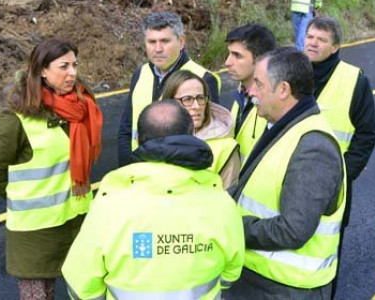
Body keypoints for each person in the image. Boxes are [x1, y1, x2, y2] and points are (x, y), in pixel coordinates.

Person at [62, 100, 245, 299]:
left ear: (139, 140)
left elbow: (80, 282)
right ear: (192, 135)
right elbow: (231, 272)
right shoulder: (220, 203)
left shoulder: (109, 207)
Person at [0, 38, 103, 300]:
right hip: (36, 232)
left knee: (86, 291)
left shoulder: (81, 109)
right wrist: (22, 195)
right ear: (43, 71)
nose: (72, 73)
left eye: (75, 65)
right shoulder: (17, 119)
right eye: (63, 66)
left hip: (77, 221)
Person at [227, 47, 345, 299]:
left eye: (258, 83)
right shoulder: (284, 127)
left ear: (283, 90)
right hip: (262, 280)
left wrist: (228, 225)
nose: (251, 90)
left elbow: (293, 230)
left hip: (285, 288)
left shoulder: (314, 148)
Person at [302, 17, 375, 296]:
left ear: (335, 47)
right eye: (310, 36)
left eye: (320, 39)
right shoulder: (292, 72)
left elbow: (367, 134)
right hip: (289, 182)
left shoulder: (354, 79)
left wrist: (344, 173)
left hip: (333, 188)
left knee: (325, 256)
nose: (312, 42)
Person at [118, 11, 221, 167]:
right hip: (138, 171)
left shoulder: (203, 79)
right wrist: (128, 170)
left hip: (177, 178)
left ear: (181, 42)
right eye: (151, 42)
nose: (158, 49)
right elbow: (126, 129)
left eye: (165, 41)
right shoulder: (141, 73)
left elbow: (208, 138)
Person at [161, 70, 241, 188]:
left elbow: (229, 199)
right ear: (170, 103)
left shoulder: (226, 148)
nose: (196, 106)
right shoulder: (158, 140)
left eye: (200, 98)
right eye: (187, 99)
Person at [224, 24, 277, 163]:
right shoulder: (241, 90)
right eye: (229, 54)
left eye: (237, 56)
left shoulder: (275, 105)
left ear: (260, 59)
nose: (227, 62)